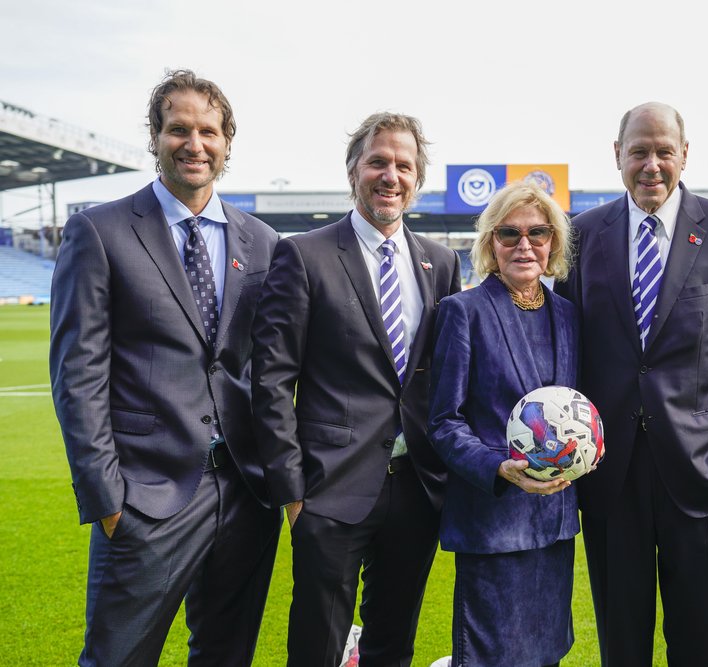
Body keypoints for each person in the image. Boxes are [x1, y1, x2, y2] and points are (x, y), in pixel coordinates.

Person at [49, 69, 281, 666]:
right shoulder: (99, 232)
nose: (194, 144)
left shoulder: (262, 243)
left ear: (228, 141)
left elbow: (269, 366)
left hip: (246, 494)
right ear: (154, 137)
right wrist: (105, 496)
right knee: (119, 658)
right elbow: (78, 374)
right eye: (179, 129)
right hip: (145, 496)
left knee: (226, 656)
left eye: (208, 131)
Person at [555, 102, 708, 666]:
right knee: (623, 645)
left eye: (663, 152)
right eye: (639, 152)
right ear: (617, 156)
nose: (652, 165)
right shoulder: (581, 236)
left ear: (684, 155)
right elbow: (570, 353)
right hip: (612, 475)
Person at [251, 111, 462, 666]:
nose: (391, 175)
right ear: (353, 170)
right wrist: (293, 491)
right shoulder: (304, 254)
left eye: (404, 165)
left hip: (416, 488)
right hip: (329, 489)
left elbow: (443, 376)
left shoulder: (440, 263)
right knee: (318, 646)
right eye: (379, 162)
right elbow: (272, 379)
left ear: (418, 180)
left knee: (393, 643)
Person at [428, 181, 580, 667]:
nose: (524, 245)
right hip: (493, 525)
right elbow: (444, 421)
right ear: (490, 241)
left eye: (538, 232)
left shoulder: (570, 316)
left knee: (548, 654)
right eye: (509, 233)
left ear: (553, 240)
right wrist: (497, 468)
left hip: (554, 525)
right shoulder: (463, 312)